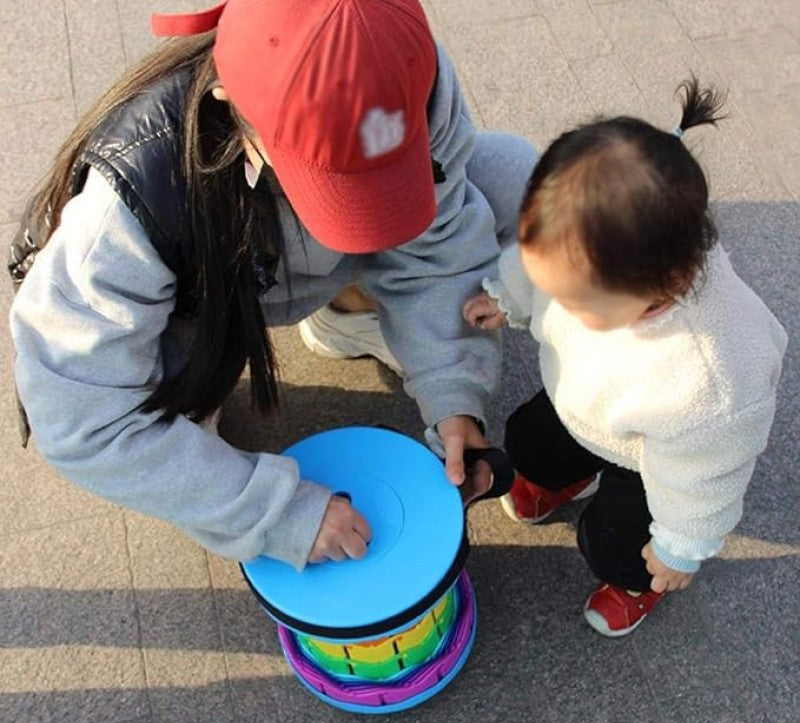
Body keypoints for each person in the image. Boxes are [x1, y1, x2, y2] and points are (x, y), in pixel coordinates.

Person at [7, 0, 536, 571]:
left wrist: (455, 396)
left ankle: (348, 313)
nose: (365, 219)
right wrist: (273, 512)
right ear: (230, 102)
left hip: (282, 264)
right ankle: (198, 412)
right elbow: (79, 419)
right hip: (196, 308)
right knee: (161, 438)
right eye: (332, 181)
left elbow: (441, 243)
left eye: (382, 172)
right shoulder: (128, 209)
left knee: (512, 177)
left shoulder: (404, 74)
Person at [462, 78, 787, 636]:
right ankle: (556, 478)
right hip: (587, 398)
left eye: (575, 300)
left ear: (670, 281)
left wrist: (681, 545)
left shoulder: (712, 383)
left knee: (616, 541)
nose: (556, 298)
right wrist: (509, 294)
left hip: (654, 457)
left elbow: (707, 475)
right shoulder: (586, 249)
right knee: (529, 438)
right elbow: (535, 261)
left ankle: (636, 584)